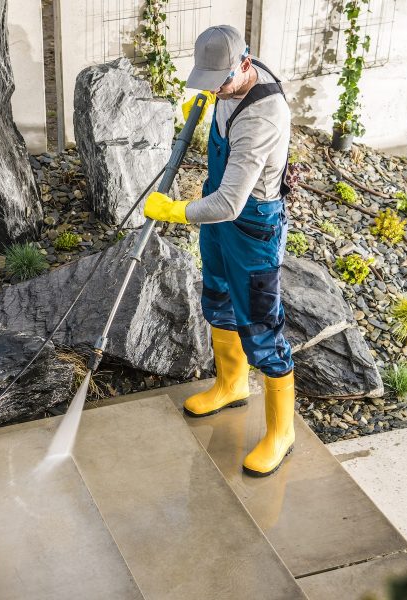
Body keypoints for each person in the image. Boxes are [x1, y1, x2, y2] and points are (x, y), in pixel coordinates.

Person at [144, 25, 295, 477]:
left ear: (245, 66)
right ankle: (231, 384)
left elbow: (230, 204)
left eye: (221, 83)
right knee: (217, 298)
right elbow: (221, 195)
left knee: (262, 327)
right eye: (209, 83)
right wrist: (210, 99)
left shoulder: (261, 119)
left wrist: (174, 211)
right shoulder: (230, 81)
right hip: (219, 210)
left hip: (249, 223)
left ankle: (281, 432)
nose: (216, 90)